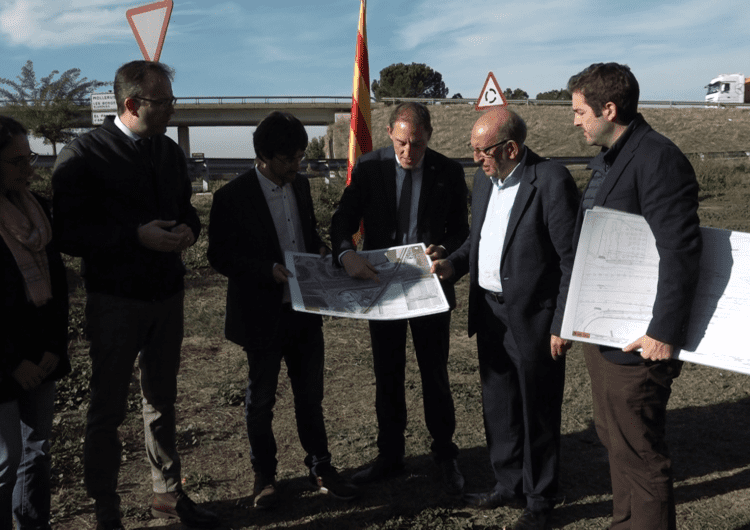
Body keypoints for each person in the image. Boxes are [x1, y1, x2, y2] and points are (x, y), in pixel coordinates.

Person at [51, 61, 218, 530]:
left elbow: (186, 208)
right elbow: (65, 232)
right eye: (163, 102)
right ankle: (106, 509)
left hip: (166, 295)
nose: (172, 109)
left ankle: (167, 493)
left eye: (171, 100)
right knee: (107, 407)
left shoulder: (166, 151)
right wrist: (134, 236)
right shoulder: (83, 155)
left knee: (162, 400)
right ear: (131, 104)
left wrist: (189, 230)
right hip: (115, 301)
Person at [567, 62, 702, 530]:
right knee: (614, 438)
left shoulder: (657, 156)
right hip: (606, 335)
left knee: (641, 454)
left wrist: (663, 333)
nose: (576, 120)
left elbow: (681, 249)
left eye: (581, 111)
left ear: (609, 108)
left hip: (639, 342)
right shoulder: (612, 157)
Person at [431, 108, 579, 529]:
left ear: (511, 148)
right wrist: (453, 264)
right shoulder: (484, 179)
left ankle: (539, 500)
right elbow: (479, 242)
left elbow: (571, 260)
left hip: (535, 318)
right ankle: (507, 483)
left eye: (482, 151)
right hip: (491, 312)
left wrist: (562, 322)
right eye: (473, 150)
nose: (475, 158)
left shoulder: (550, 181)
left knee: (538, 410)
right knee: (499, 407)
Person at [207, 111, 359, 508]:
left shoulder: (302, 187)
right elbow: (218, 256)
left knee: (311, 395)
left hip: (304, 311)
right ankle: (265, 475)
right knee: (261, 400)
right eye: (288, 159)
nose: (297, 166)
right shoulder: (231, 197)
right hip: (261, 314)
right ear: (263, 156)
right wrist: (265, 271)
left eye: (299, 157)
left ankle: (321, 466)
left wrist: (323, 252)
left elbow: (307, 235)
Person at [330, 102, 469, 494]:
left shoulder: (449, 172)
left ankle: (445, 454)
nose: (409, 153)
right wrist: (346, 253)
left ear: (430, 137)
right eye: (402, 143)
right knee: (387, 376)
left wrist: (447, 250)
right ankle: (389, 456)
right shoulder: (370, 167)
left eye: (419, 145)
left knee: (435, 375)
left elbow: (462, 230)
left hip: (429, 287)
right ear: (390, 132)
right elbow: (343, 218)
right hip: (382, 288)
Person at [0, 116, 71, 530]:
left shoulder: (38, 209)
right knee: (5, 462)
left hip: (42, 355)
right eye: (16, 162)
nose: (29, 170)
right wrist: (12, 362)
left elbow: (58, 288)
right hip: (6, 362)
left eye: (31, 158)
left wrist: (51, 348)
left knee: (38, 452)